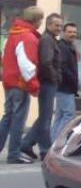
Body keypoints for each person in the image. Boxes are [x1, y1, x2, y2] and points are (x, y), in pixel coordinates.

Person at [0, 6, 43, 164]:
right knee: (18, 119)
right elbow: (27, 66)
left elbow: (5, 57)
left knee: (8, 116)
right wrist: (34, 86)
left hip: (9, 81)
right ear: (35, 20)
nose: (41, 23)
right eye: (40, 19)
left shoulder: (13, 33)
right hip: (21, 83)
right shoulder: (28, 37)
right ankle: (14, 153)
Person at [20, 12, 62, 161]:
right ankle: (45, 150)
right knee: (46, 118)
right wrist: (55, 77)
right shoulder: (47, 40)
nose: (59, 28)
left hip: (49, 82)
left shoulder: (51, 39)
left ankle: (26, 143)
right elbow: (46, 62)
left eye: (60, 26)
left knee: (45, 116)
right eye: (56, 25)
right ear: (49, 24)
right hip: (47, 82)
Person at [50, 22, 79, 141]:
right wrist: (73, 80)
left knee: (60, 116)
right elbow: (63, 67)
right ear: (63, 32)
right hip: (65, 86)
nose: (73, 34)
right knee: (68, 115)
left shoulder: (69, 46)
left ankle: (52, 142)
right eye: (70, 32)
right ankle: (58, 142)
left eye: (74, 32)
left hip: (64, 86)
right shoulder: (62, 46)